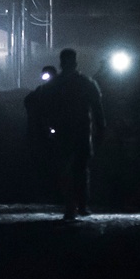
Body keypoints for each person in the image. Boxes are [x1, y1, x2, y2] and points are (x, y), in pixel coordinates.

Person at [40, 48, 106, 221]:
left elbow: (45, 109)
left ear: (61, 63)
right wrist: (101, 128)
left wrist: (49, 128)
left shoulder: (55, 84)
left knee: (66, 169)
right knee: (81, 170)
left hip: (64, 132)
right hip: (81, 131)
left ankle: (71, 206)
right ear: (75, 62)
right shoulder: (86, 83)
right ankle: (81, 205)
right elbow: (97, 108)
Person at [23, 65, 59, 201]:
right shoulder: (41, 91)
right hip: (43, 133)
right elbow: (29, 102)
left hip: (58, 132)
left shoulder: (61, 90)